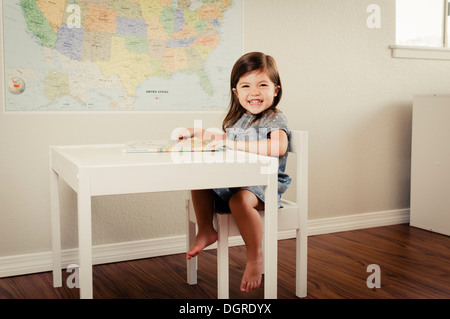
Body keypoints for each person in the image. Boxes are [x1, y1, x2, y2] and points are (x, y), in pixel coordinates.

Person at [179, 52, 291, 293]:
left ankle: (254, 256)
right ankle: (206, 230)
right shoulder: (239, 120)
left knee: (239, 200)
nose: (255, 91)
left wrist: (233, 144)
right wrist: (196, 132)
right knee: (199, 179)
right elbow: (222, 138)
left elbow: (278, 147)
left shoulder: (273, 118)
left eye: (263, 85)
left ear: (276, 90)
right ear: (236, 92)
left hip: (263, 186)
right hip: (235, 182)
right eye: (246, 85)